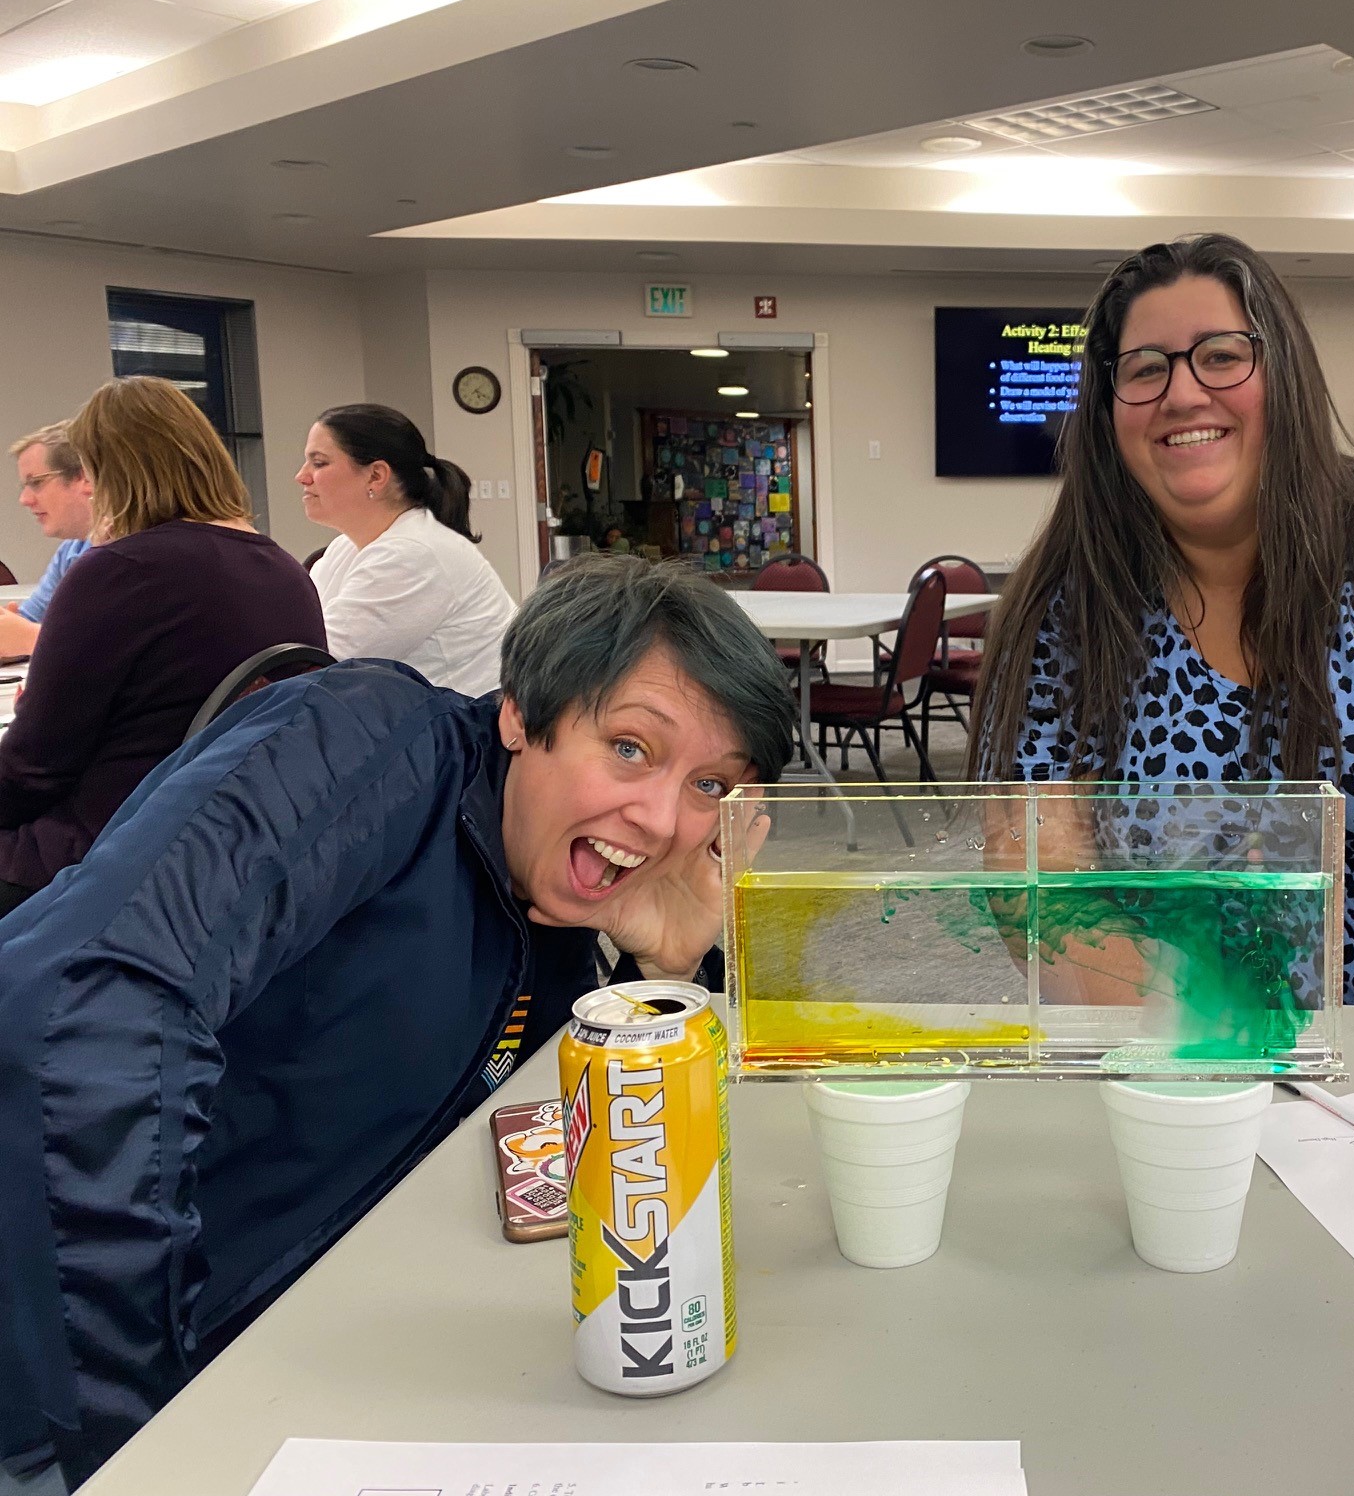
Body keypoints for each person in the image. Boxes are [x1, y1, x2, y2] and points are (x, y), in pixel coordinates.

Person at [0, 555, 794, 1485]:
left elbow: (586, 1167)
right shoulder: (362, 740)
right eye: (629, 747)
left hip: (303, 1351)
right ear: (519, 713)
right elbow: (82, 1014)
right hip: (70, 1394)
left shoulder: (559, 902)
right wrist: (152, 1440)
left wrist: (666, 976)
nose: (661, 819)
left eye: (710, 786)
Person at [969, 232, 1354, 1006]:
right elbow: (1036, 890)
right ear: (1107, 411)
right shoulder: (1066, 609)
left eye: (1222, 356)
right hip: (1170, 1047)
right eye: (1145, 369)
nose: (1182, 393)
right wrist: (1221, 1034)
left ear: (1283, 375)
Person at [0, 377, 323, 917]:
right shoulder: (284, 568)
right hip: (234, 846)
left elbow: (34, 769)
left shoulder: (119, 571)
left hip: (111, 854)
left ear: (108, 472)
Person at [300, 404, 517, 696]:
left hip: (467, 720)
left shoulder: (414, 554)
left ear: (376, 476)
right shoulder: (345, 548)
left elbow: (315, 662)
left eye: (319, 463)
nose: (302, 476)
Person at [0, 424, 95, 660]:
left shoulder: (138, 551)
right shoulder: (72, 551)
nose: (24, 499)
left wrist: (30, 638)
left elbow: (120, 651)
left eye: (36, 483)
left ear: (83, 476)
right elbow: (28, 622)